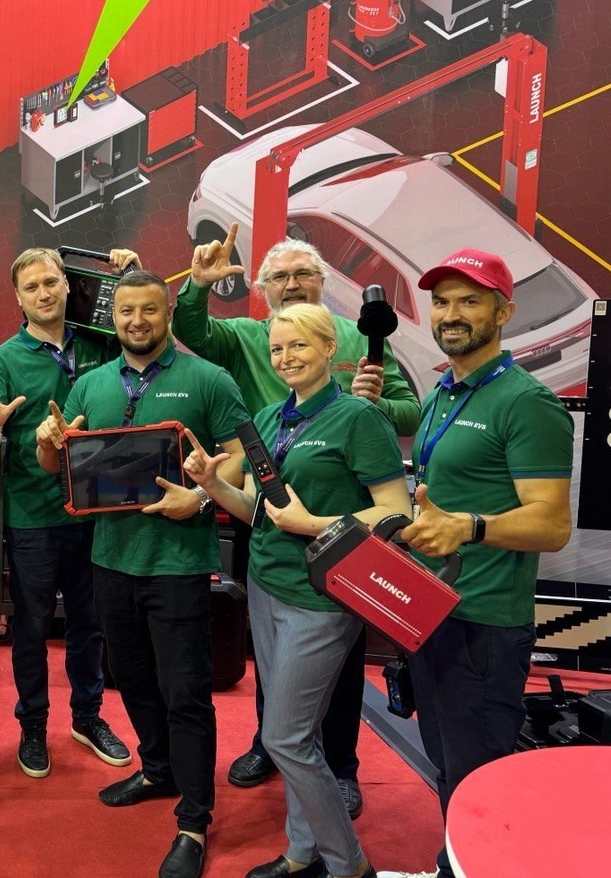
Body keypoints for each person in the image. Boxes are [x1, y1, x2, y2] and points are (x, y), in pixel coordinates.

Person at [175, 224, 421, 815]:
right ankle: (273, 743)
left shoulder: (358, 337)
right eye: (279, 276)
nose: (291, 284)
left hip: (336, 545)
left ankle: (340, 766)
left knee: (338, 668)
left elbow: (408, 412)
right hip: (269, 532)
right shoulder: (246, 338)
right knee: (273, 662)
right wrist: (197, 286)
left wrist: (374, 405)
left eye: (302, 274)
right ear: (262, 290)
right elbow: (192, 329)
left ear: (321, 284)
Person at [39, 270, 248, 878]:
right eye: (127, 311)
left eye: (149, 310)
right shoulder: (91, 383)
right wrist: (50, 442)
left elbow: (243, 454)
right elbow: (55, 460)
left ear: (166, 313)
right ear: (114, 316)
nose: (137, 321)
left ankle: (194, 820)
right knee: (130, 679)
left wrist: (202, 496)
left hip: (178, 565)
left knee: (185, 692)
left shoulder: (208, 379)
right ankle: (158, 769)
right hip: (109, 560)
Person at [377, 250, 573, 878]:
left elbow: (553, 524)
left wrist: (470, 526)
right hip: (433, 613)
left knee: (478, 777)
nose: (451, 314)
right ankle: (452, 866)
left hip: (485, 625)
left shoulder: (527, 402)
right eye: (441, 302)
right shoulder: (442, 392)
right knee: (447, 763)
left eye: (470, 301)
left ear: (503, 312)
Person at [0, 247, 140, 778]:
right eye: (32, 287)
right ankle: (33, 725)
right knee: (32, 628)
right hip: (34, 517)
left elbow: (146, 322)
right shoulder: (2, 362)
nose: (43, 293)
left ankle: (87, 717)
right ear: (18, 299)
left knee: (90, 625)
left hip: (98, 512)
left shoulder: (101, 343)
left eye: (51, 282)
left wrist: (130, 275)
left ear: (68, 285)